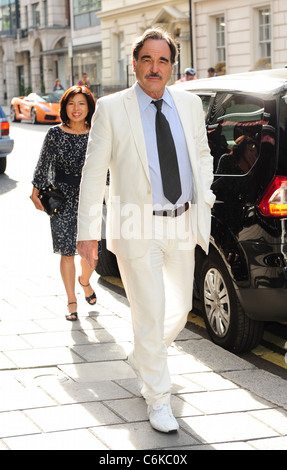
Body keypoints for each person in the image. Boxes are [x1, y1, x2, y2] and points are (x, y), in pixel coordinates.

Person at [77, 28, 215, 433]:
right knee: (150, 313)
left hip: (183, 221)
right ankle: (158, 397)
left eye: (163, 60)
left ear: (172, 65)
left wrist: (203, 192)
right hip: (138, 227)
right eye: (147, 59)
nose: (155, 68)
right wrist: (88, 233)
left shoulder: (189, 104)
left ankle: (145, 356)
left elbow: (202, 153)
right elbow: (93, 172)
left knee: (180, 309)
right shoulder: (111, 107)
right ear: (134, 63)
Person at [30, 86, 96, 321]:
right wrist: (35, 190)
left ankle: (85, 281)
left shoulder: (97, 132)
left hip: (91, 198)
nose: (76, 109)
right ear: (64, 107)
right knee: (67, 253)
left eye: (81, 103)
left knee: (92, 254)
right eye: (71, 103)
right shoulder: (55, 134)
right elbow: (43, 163)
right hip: (62, 198)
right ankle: (71, 299)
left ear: (89, 107)